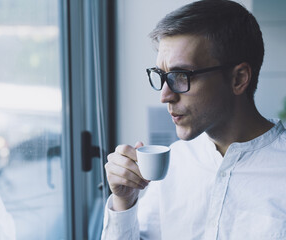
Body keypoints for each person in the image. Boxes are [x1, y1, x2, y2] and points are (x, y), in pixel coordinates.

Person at [101, 0, 286, 239]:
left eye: (180, 76)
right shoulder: (173, 164)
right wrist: (123, 201)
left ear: (239, 78)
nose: (164, 96)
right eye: (161, 75)